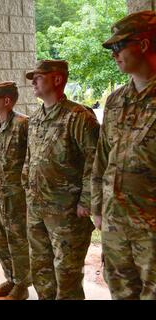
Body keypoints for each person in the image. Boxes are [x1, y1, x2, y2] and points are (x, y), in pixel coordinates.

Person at [91, 10, 156, 300]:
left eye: (119, 46)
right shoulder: (116, 100)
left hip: (151, 227)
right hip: (116, 222)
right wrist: (97, 208)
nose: (113, 54)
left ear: (143, 45)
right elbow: (102, 157)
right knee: (120, 290)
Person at [22, 60, 99, 299]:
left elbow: (95, 160)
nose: (33, 82)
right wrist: (26, 187)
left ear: (57, 79)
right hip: (37, 207)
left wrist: (86, 201)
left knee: (67, 275)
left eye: (39, 77)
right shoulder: (35, 118)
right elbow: (30, 158)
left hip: (67, 213)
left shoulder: (78, 117)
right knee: (41, 269)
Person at [0, 82, 31, 300]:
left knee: (18, 241)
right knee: (2, 241)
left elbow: (30, 159)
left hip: (18, 195)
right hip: (1, 193)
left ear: (7, 100)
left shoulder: (23, 124)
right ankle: (10, 278)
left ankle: (22, 285)